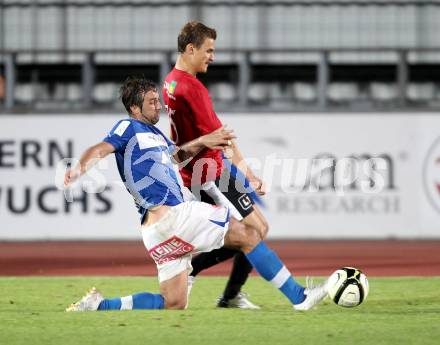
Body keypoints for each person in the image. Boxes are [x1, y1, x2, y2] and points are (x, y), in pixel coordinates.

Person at [65, 76, 330, 312]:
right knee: (249, 233)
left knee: (174, 302)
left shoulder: (154, 134)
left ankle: (99, 305)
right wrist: (79, 167)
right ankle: (299, 297)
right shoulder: (127, 127)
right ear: (135, 108)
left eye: (158, 100)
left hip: (156, 233)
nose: (158, 106)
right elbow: (100, 148)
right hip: (172, 216)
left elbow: (177, 155)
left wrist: (203, 141)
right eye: (151, 102)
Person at [163, 21, 268, 309]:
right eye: (208, 51)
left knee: (250, 232)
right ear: (190, 49)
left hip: (201, 172)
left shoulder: (170, 82)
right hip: (210, 173)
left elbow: (208, 133)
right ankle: (215, 284)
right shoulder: (192, 89)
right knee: (255, 232)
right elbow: (221, 137)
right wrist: (248, 173)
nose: (213, 56)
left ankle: (221, 288)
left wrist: (248, 174)